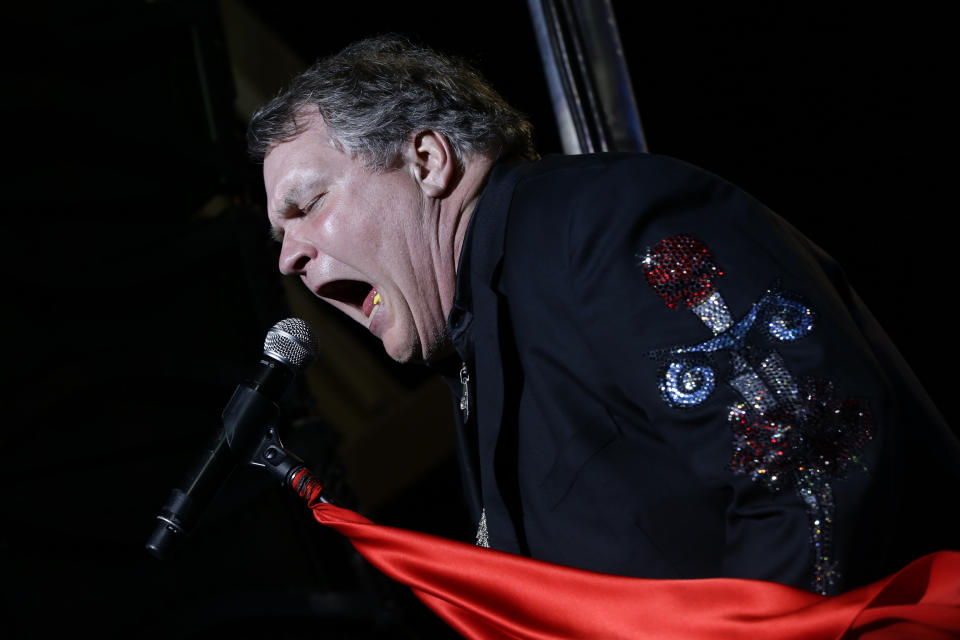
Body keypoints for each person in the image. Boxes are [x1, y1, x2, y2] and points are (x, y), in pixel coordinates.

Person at [246, 35, 960, 597]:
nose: (289, 259)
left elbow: (814, 459)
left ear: (428, 161)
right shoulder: (477, 346)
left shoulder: (598, 222)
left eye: (307, 206)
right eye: (281, 239)